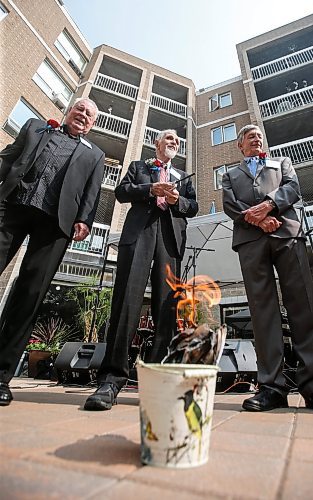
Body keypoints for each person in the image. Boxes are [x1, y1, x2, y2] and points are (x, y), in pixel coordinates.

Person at [0, 97, 105, 406]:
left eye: (90, 114)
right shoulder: (35, 128)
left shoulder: (95, 154)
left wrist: (84, 220)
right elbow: (7, 159)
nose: (84, 115)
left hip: (55, 224)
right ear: (68, 110)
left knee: (30, 294)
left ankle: (2, 375)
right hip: (11, 208)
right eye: (80, 108)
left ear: (93, 125)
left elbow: (92, 192)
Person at [84, 129, 198, 411]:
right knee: (126, 302)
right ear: (157, 143)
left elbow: (192, 207)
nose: (174, 143)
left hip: (169, 240)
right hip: (139, 235)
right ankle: (111, 378)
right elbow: (122, 193)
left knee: (166, 308)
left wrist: (175, 200)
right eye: (169, 139)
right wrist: (150, 190)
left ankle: (159, 381)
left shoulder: (181, 175)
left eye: (177, 141)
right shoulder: (139, 167)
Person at [222, 124, 313, 412]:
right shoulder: (229, 175)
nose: (256, 137)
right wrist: (258, 220)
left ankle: (311, 383)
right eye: (249, 135)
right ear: (240, 145)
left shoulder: (282, 163)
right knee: (262, 311)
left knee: (303, 305)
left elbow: (293, 188)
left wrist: (270, 205)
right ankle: (272, 386)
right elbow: (230, 205)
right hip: (251, 241)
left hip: (287, 234)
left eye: (259, 135)